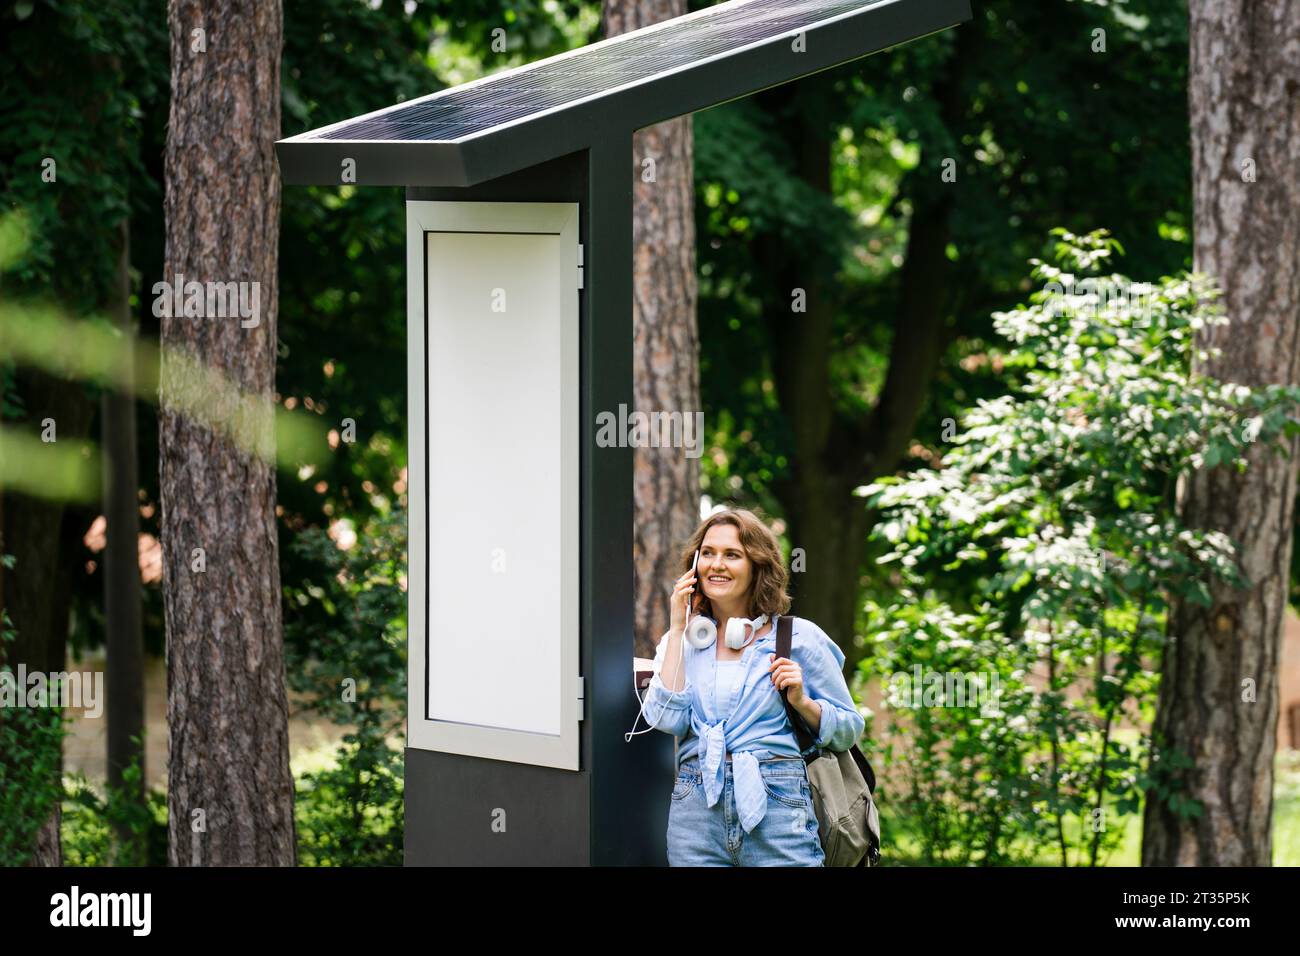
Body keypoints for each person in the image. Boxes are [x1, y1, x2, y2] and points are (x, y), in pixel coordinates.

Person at [640, 508, 866, 866]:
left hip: (779, 808)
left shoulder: (797, 639)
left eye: (732, 555)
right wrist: (679, 626)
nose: (716, 564)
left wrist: (803, 702)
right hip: (695, 812)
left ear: (757, 566)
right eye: (708, 553)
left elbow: (850, 729)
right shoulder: (682, 640)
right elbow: (666, 719)